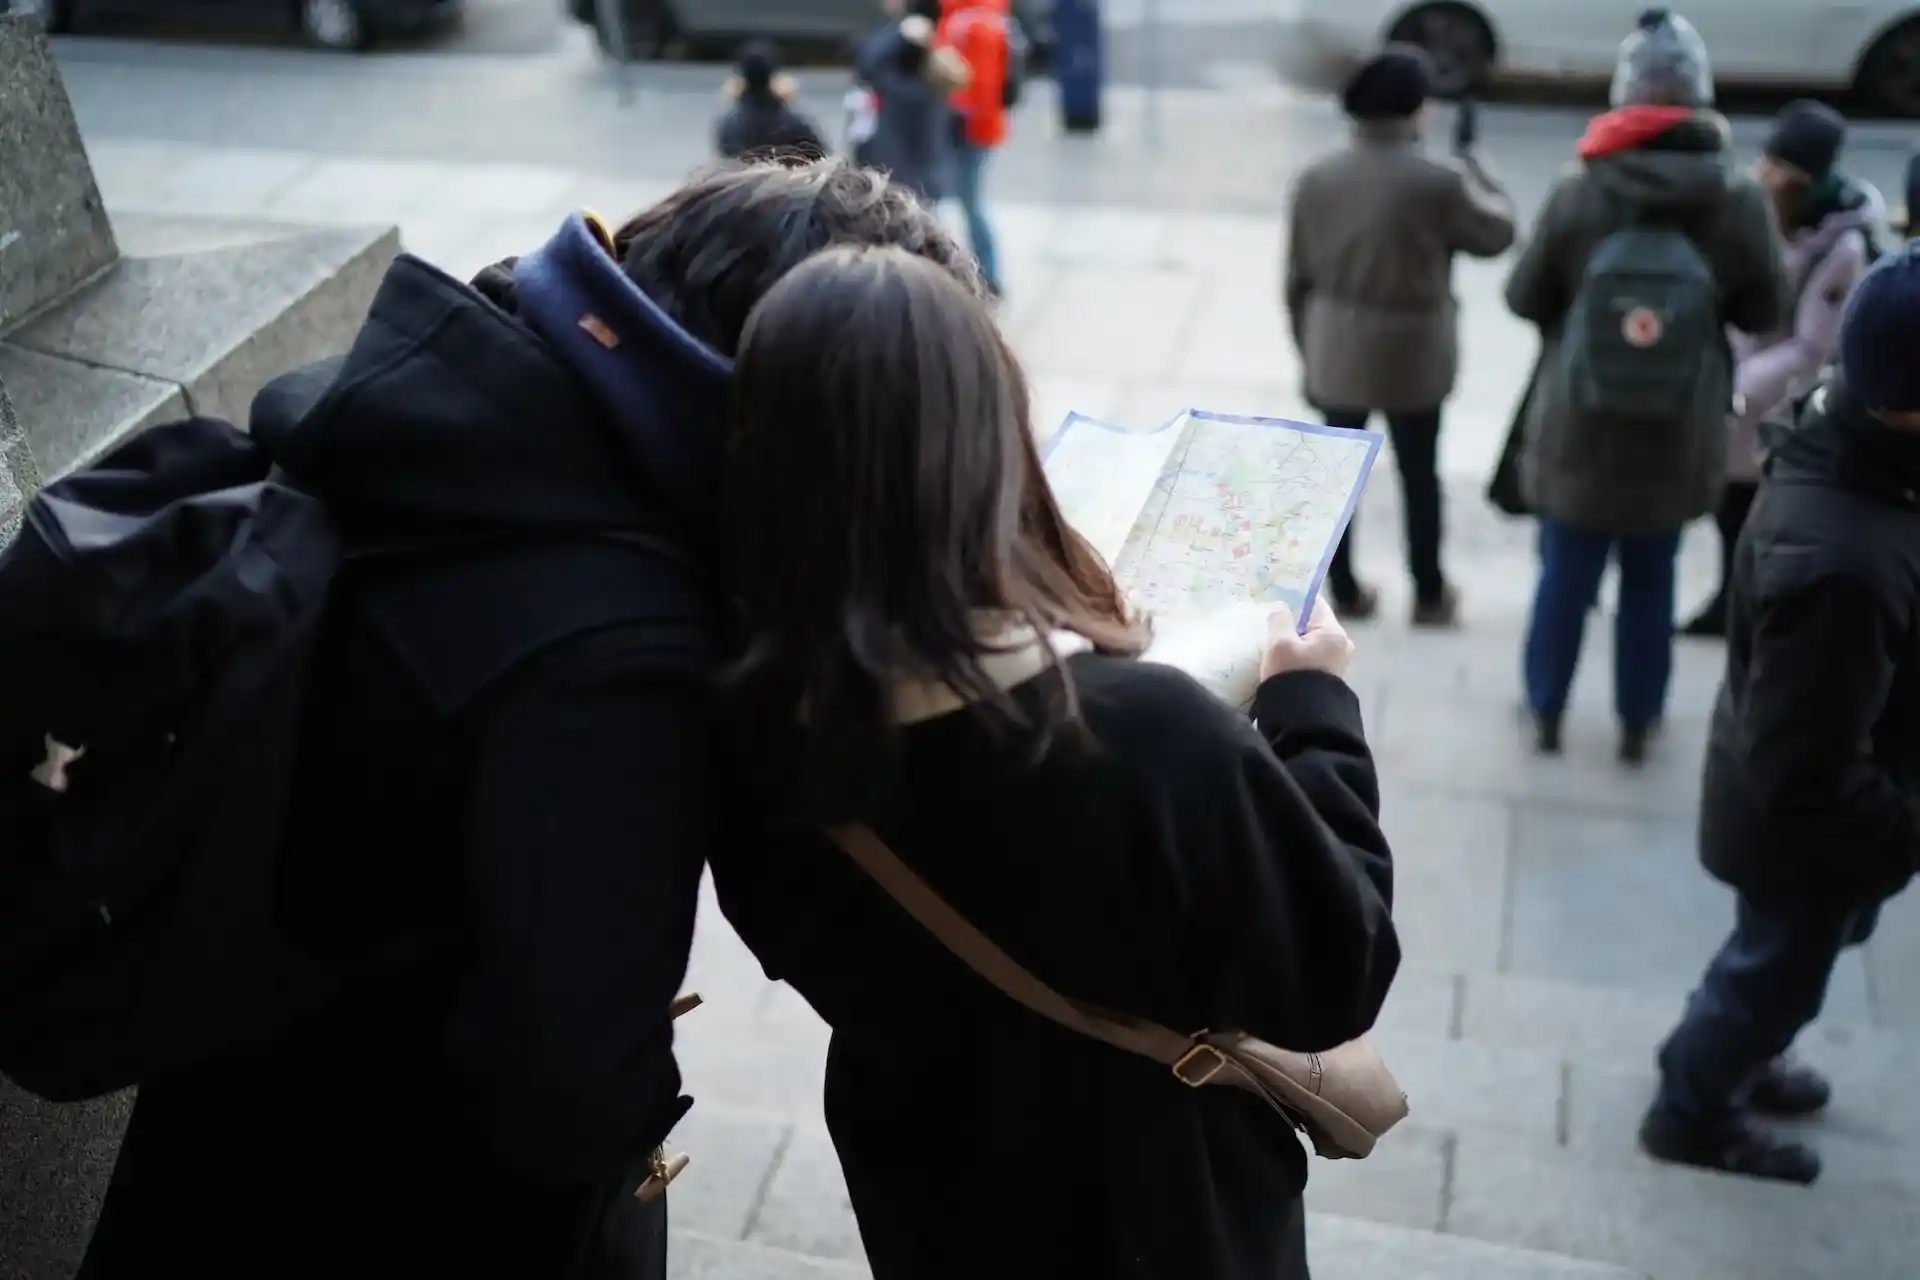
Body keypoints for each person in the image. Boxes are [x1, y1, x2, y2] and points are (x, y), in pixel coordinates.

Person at [75, 160, 983, 1280]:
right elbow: (572, 1090)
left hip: (230, 1126)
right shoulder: (613, 653)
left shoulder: (466, 399)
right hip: (394, 1201)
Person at [709, 245, 1399, 1280]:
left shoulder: (748, 724)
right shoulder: (1144, 736)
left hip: (927, 1189)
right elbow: (1339, 966)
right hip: (1158, 1206)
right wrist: (1315, 707)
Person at [1642, 252, 1920, 1185]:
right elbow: (1804, 768)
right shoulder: (1840, 561)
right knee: (1776, 971)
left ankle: (1725, 1052)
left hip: (1818, 810)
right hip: (1812, 831)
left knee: (1780, 960)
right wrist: (1907, 829)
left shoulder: (1852, 437)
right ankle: (1692, 1105)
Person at [1503, 7, 1789, 763]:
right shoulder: (1736, 197)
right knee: (1651, 578)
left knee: (1565, 573)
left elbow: (1523, 296)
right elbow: (1768, 308)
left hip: (1580, 422)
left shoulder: (1581, 187)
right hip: (1679, 427)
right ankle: (1637, 717)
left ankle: (1546, 705)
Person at [1288, 44, 1516, 627]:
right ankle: (1429, 589)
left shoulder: (1317, 179)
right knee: (1420, 474)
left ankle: (1341, 589)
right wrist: (1478, 165)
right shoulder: (1436, 182)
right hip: (1414, 350)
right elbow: (1498, 233)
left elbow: (1296, 279)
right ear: (1415, 109)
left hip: (1337, 343)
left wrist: (1308, 349)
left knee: (1339, 478)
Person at [1680, 100, 1879, 638]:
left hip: (1775, 405)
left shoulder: (1841, 247)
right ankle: (1731, 603)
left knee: (1755, 516)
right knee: (1731, 511)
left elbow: (1812, 348)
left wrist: (1738, 386)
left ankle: (1747, 611)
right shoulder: (1767, 215)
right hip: (1743, 397)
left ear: (1800, 178)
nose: (1760, 172)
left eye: (1774, 166)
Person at [853, 4, 968, 206]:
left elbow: (869, 62)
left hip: (905, 181)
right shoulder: (935, 96)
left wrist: (899, 35)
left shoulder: (902, 89)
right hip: (923, 180)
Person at [937, 0, 1014, 296]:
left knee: (969, 201)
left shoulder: (972, 22)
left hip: (968, 130)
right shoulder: (974, 16)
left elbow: (981, 83)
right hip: (972, 127)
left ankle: (988, 275)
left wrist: (957, 116)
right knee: (967, 200)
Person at [715, 40, 827, 162]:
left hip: (742, 180)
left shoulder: (729, 124)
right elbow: (822, 157)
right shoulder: (794, 122)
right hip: (785, 180)